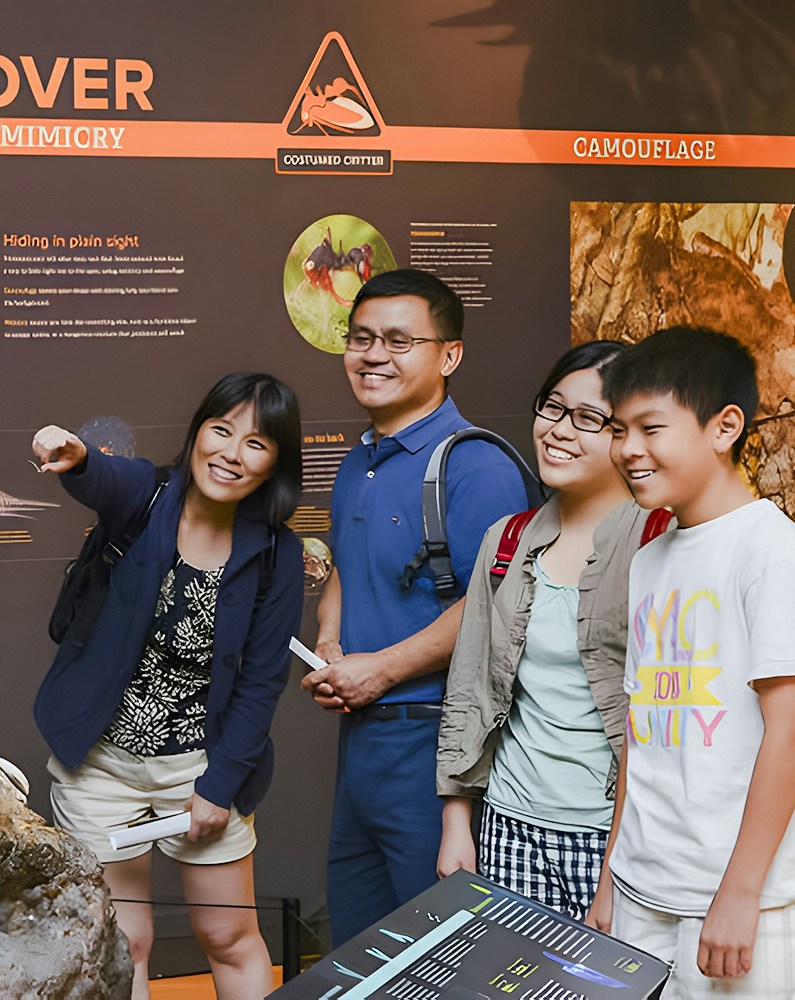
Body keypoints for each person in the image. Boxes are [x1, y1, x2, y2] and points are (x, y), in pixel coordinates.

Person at [585, 326, 795, 996]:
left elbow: (791, 732)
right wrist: (612, 873)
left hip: (756, 900)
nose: (629, 449)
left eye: (651, 427)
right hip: (645, 890)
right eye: (619, 429)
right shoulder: (649, 560)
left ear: (724, 426)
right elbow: (642, 732)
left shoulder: (769, 549)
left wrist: (740, 892)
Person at [32, 373, 305, 1000]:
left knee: (228, 936)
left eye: (256, 443)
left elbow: (263, 680)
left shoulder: (275, 554)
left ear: (275, 463)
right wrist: (76, 453)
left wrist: (219, 787)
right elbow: (102, 475)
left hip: (202, 767)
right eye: (221, 430)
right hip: (99, 764)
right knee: (121, 943)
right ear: (197, 431)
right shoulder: (148, 496)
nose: (231, 453)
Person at [301, 268, 529, 944]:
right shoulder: (359, 460)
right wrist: (332, 642)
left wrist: (381, 670)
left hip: (436, 750)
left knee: (446, 950)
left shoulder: (477, 468)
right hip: (361, 745)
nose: (374, 355)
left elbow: (495, 608)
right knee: (361, 948)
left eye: (400, 341)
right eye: (361, 338)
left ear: (448, 355)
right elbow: (347, 566)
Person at [437, 340, 660, 921]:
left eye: (588, 418)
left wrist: (615, 868)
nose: (559, 430)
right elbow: (469, 685)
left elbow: (665, 719)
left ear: (627, 436)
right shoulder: (506, 540)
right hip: (509, 824)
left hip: (611, 834)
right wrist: (457, 821)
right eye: (553, 407)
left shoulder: (659, 542)